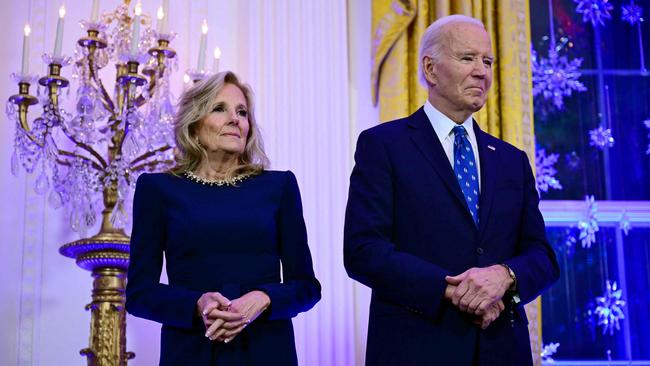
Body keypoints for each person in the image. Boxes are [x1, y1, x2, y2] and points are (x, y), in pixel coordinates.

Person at [344, 15, 559, 366]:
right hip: (416, 348)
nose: (482, 72)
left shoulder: (511, 160)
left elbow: (543, 257)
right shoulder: (383, 145)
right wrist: (455, 291)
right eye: (467, 58)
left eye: (487, 61)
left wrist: (503, 277)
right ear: (430, 69)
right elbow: (363, 251)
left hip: (501, 350)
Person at [126, 71, 321, 365]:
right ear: (194, 126)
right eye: (220, 108)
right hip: (192, 353)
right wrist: (196, 304)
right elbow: (139, 294)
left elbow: (307, 287)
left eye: (242, 112)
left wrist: (264, 298)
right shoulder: (158, 190)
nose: (235, 119)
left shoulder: (279, 187)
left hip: (267, 352)